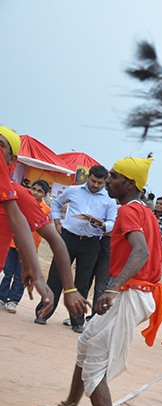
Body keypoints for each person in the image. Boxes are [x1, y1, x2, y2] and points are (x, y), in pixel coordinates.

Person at [38, 155, 162, 406]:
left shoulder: (128, 212)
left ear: (130, 184)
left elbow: (141, 252)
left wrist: (111, 288)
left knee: (95, 368)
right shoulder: (142, 211)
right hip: (135, 291)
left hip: (131, 293)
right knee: (86, 344)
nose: (109, 181)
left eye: (115, 177)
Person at [0, 126, 85, 319]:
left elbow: (54, 239)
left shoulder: (18, 196)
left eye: (0, 146)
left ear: (12, 159)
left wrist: (69, 289)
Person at [35, 165, 118, 332]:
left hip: (92, 242)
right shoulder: (73, 190)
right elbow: (56, 205)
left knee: (83, 281)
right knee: (56, 276)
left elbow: (113, 222)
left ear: (105, 182)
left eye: (100, 183)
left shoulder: (109, 199)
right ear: (88, 177)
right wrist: (57, 222)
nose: (96, 185)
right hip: (68, 238)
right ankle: (43, 312)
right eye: (93, 181)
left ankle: (77, 320)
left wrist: (103, 225)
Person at [0, 180, 51, 312]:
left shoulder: (45, 210)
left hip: (30, 248)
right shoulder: (19, 202)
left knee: (20, 275)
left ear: (45, 195)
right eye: (33, 189)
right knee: (7, 272)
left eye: (40, 191)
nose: (35, 192)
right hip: (12, 245)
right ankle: (1, 296)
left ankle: (13, 300)